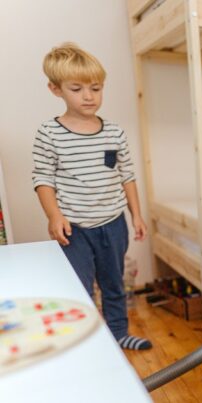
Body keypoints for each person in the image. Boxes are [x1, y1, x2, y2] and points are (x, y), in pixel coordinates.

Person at [32, 43, 152, 350]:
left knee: (114, 284)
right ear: (55, 89)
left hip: (113, 224)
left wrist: (136, 214)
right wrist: (54, 215)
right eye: (77, 88)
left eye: (96, 88)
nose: (89, 96)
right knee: (80, 288)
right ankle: (89, 345)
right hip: (75, 229)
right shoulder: (49, 133)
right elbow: (43, 178)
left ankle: (118, 334)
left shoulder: (114, 132)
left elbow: (127, 176)